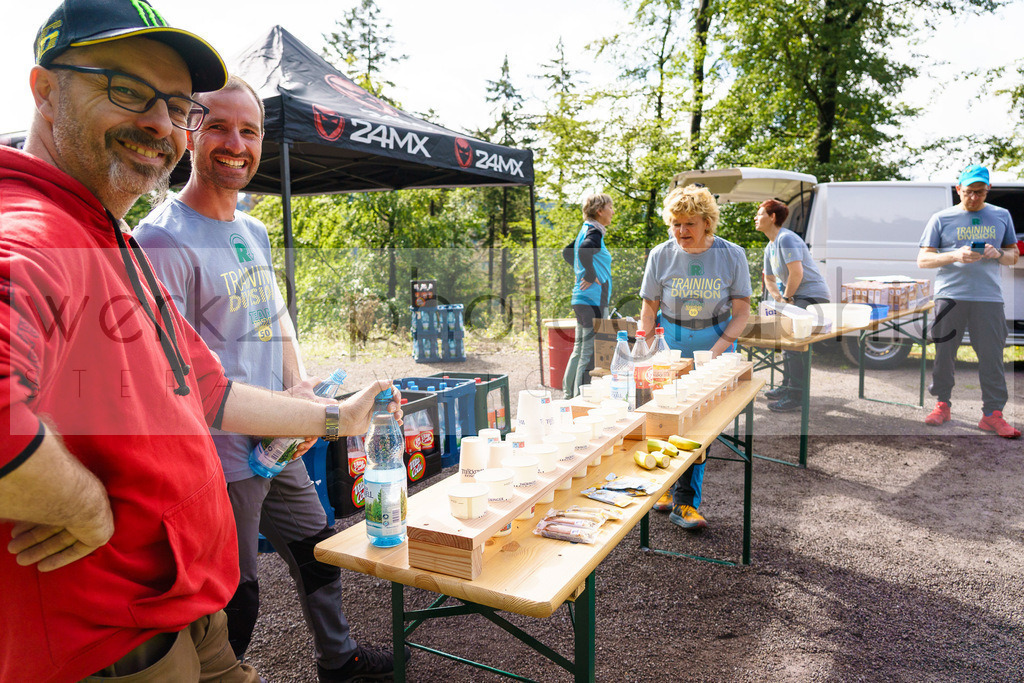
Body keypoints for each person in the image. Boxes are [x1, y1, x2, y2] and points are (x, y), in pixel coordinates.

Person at [0, 2, 401, 681]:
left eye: (177, 104)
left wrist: (337, 416)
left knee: (312, 552)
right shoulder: (36, 232)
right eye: (127, 90)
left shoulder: (110, 235)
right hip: (114, 640)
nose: (159, 121)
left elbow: (204, 387)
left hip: (181, 611)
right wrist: (78, 505)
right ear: (45, 90)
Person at [135, 75, 407, 682]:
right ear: (189, 132)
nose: (237, 142)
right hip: (222, 460)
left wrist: (303, 391)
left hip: (280, 443)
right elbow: (179, 385)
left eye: (250, 130)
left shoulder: (251, 229)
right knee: (237, 595)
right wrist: (323, 417)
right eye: (219, 126)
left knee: (318, 552)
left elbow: (273, 322)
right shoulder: (160, 239)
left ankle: (339, 660)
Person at [641, 185, 751, 530]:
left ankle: (685, 503)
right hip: (670, 346)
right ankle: (660, 485)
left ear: (707, 222)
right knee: (659, 417)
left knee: (698, 426)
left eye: (689, 223)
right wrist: (645, 347)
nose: (681, 232)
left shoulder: (732, 255)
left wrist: (714, 353)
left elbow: (743, 312)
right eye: (675, 224)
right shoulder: (661, 254)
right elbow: (648, 307)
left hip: (716, 350)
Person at [917, 164, 1020, 438]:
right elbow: (923, 260)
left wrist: (997, 254)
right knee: (944, 353)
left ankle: (992, 415)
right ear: (958, 189)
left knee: (992, 356)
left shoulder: (1001, 216)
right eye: (969, 192)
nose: (974, 198)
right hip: (950, 296)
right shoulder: (941, 218)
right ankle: (942, 406)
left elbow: (1013, 257)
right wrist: (954, 255)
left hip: (988, 298)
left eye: (980, 192)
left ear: (988, 190)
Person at [754, 198, 831, 412]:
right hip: (793, 297)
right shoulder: (770, 246)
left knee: (794, 340)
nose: (755, 218)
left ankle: (796, 394)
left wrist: (786, 300)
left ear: (773, 217)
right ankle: (787, 386)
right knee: (785, 340)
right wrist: (778, 299)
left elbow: (797, 273)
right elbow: (769, 279)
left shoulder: (786, 238)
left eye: (760, 214)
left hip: (812, 296)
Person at [562, 193, 614, 398]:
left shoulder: (586, 229)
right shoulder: (594, 232)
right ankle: (578, 400)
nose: (612, 211)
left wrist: (582, 272)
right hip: (593, 300)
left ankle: (568, 395)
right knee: (588, 354)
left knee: (579, 350)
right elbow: (583, 251)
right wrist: (591, 275)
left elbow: (568, 252)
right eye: (610, 207)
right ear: (599, 211)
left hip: (582, 298)